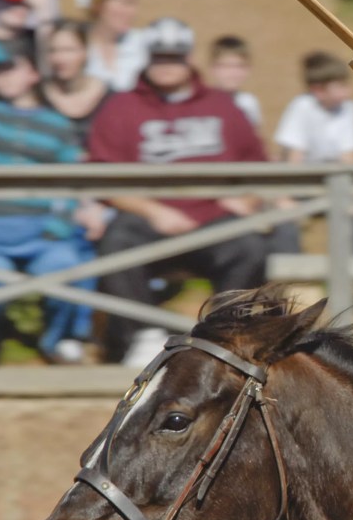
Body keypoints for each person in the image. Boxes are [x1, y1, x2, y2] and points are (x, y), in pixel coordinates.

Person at [86, 18, 269, 366]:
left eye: (174, 56)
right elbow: (101, 178)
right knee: (116, 242)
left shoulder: (223, 105)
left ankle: (225, 335)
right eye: (159, 57)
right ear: (147, 58)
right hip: (147, 218)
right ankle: (141, 335)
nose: (167, 65)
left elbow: (258, 165)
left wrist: (246, 199)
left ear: (189, 58)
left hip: (213, 217)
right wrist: (153, 211)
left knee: (250, 248)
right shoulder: (121, 107)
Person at [0, 39, 97, 365]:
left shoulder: (58, 124)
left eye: (11, 67)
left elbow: (70, 180)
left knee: (63, 267)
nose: (3, 76)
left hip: (40, 229)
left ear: (32, 72)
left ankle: (55, 343)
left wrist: (59, 223)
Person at [275, 50, 353, 310]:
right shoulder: (300, 108)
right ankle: (292, 289)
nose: (346, 92)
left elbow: (349, 157)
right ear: (318, 90)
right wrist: (286, 197)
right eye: (339, 86)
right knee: (285, 225)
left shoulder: (348, 110)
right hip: (303, 181)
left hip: (333, 182)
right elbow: (294, 158)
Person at [40, 20, 110, 145]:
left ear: (86, 51)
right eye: (52, 50)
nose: (59, 58)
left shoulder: (111, 99)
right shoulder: (37, 97)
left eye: (69, 50)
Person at [79, 0, 147, 92]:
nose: (131, 12)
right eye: (125, 3)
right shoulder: (78, 44)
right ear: (98, 4)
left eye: (133, 5)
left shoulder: (143, 43)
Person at [207, 34, 261, 129]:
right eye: (226, 66)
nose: (233, 73)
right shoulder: (204, 103)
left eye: (239, 66)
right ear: (213, 68)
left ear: (249, 68)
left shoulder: (249, 102)